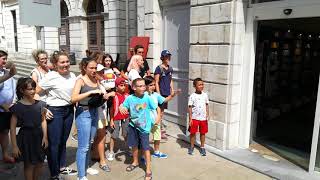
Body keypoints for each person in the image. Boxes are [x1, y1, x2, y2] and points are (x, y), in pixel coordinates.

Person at [36, 51, 77, 179]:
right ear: (55, 64)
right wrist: (43, 108)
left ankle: (62, 167)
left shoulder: (72, 75)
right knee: (54, 143)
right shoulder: (50, 76)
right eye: (62, 62)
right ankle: (54, 174)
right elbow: (35, 92)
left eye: (67, 61)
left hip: (69, 110)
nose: (66, 64)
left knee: (63, 141)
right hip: (55, 111)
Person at [71, 58, 109, 180]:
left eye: (95, 68)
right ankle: (81, 175)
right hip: (84, 113)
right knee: (83, 146)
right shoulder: (80, 80)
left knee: (90, 142)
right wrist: (89, 94)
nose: (93, 70)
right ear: (84, 68)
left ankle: (86, 167)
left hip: (94, 111)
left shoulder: (95, 79)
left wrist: (103, 96)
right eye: (91, 68)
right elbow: (73, 98)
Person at [10, 78, 48, 180]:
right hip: (26, 138)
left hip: (39, 137)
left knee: (40, 163)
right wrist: (14, 146)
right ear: (22, 90)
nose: (33, 91)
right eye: (30, 89)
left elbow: (43, 120)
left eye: (34, 88)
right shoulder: (18, 107)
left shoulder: (40, 104)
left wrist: (45, 137)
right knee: (29, 165)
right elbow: (12, 128)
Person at [119, 78, 157, 180]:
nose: (143, 87)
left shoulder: (147, 98)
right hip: (133, 126)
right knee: (134, 146)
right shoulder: (130, 98)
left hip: (144, 128)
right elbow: (123, 105)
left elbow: (155, 107)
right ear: (134, 88)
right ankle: (135, 162)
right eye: (140, 86)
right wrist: (121, 107)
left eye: (144, 85)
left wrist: (157, 119)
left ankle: (148, 170)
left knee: (145, 148)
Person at [144, 76, 178, 159]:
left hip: (156, 120)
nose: (153, 87)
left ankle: (156, 152)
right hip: (145, 121)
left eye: (154, 85)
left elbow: (164, 100)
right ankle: (143, 155)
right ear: (145, 86)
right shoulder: (143, 95)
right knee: (144, 138)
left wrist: (172, 95)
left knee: (157, 136)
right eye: (151, 85)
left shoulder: (156, 95)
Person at [91, 63, 113, 172]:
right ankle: (101, 160)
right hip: (94, 114)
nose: (102, 73)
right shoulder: (92, 84)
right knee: (100, 136)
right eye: (100, 72)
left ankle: (97, 156)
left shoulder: (101, 83)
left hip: (102, 114)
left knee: (101, 135)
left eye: (102, 71)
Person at [107, 77, 129, 161]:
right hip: (116, 118)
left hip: (126, 117)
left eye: (124, 85)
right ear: (116, 86)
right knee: (114, 135)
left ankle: (127, 149)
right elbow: (111, 109)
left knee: (126, 134)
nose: (123, 87)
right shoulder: (114, 95)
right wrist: (111, 120)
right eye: (121, 85)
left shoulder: (127, 95)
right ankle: (111, 151)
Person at [154, 50, 174, 140]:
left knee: (162, 112)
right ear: (162, 58)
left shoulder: (170, 68)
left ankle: (159, 128)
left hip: (166, 93)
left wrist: (172, 90)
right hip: (161, 93)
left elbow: (170, 80)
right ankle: (159, 130)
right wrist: (158, 94)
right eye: (166, 57)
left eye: (169, 56)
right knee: (159, 112)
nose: (168, 58)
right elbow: (156, 82)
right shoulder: (159, 68)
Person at [0, 50, 16, 164]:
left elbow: (13, 85)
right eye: (3, 59)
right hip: (1, 108)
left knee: (5, 132)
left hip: (8, 108)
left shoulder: (6, 71)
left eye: (6, 58)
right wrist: (2, 104)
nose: (5, 61)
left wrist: (14, 101)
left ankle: (5, 154)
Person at [188, 78, 209, 156]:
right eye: (199, 85)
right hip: (194, 118)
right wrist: (190, 118)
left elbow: (207, 104)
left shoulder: (205, 95)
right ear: (195, 86)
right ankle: (192, 146)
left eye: (202, 84)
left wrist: (207, 114)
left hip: (203, 118)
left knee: (203, 133)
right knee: (193, 133)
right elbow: (189, 107)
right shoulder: (192, 96)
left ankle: (202, 147)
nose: (201, 86)